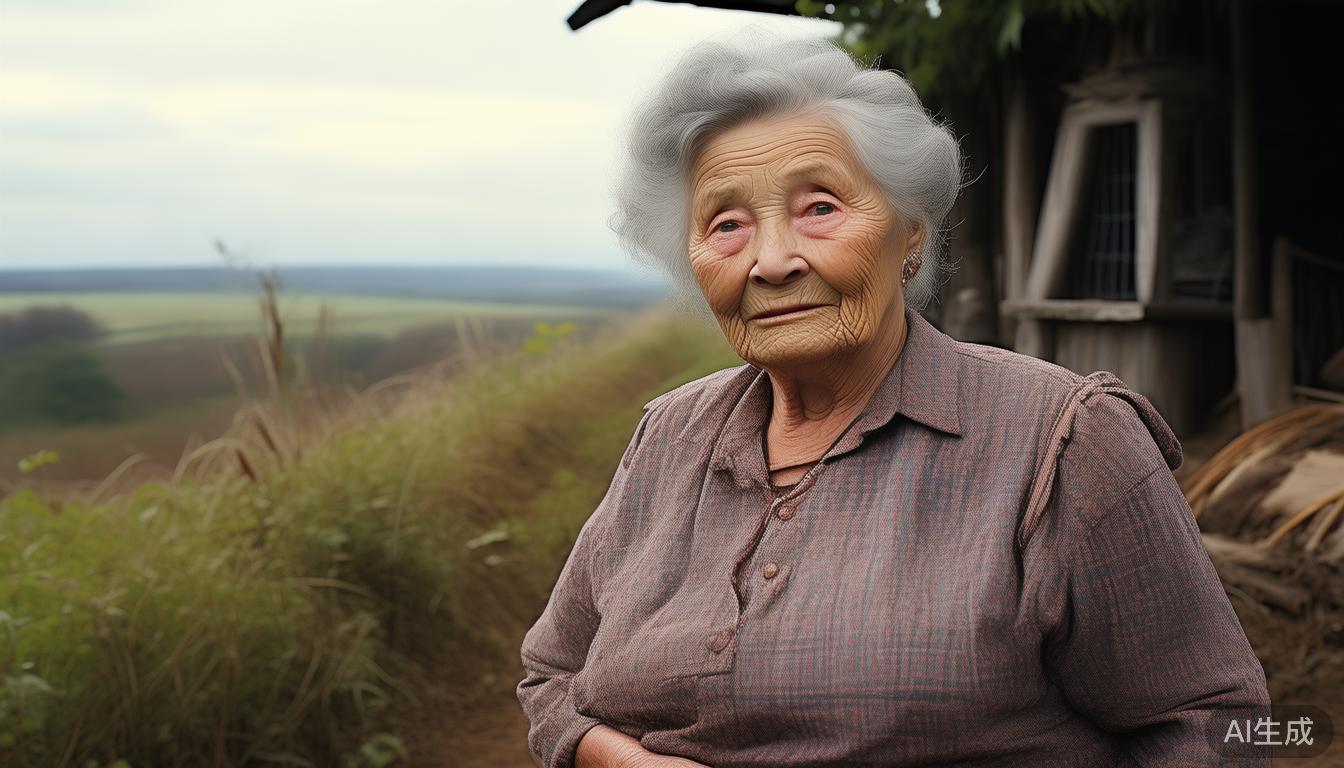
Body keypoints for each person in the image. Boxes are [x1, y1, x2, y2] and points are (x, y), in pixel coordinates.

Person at [516, 30, 1271, 768]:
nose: (772, 262)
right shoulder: (669, 436)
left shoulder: (1064, 440)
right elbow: (551, 677)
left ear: (909, 232)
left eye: (819, 208)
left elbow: (1217, 727)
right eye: (727, 224)